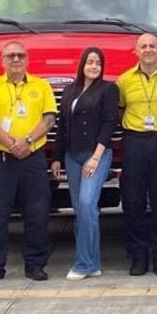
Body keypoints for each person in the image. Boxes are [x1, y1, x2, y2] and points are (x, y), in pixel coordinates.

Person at [0, 41, 60, 282]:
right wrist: (13, 143)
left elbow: (50, 119)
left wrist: (28, 140)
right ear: (2, 60)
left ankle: (35, 265)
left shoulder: (41, 86)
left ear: (27, 59)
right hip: (1, 160)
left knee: (37, 213)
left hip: (33, 159)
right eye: (10, 56)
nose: (15, 59)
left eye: (20, 55)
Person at [115, 33, 157, 276]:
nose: (148, 50)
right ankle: (138, 256)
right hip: (135, 142)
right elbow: (119, 109)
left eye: (152, 45)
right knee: (134, 201)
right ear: (136, 51)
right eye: (143, 46)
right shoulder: (124, 80)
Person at [53, 48, 120, 280]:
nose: (93, 66)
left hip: (97, 155)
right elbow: (62, 126)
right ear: (82, 64)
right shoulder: (70, 90)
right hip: (72, 156)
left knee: (87, 203)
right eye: (90, 62)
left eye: (98, 63)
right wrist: (56, 157)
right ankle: (94, 263)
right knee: (81, 212)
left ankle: (83, 264)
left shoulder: (108, 90)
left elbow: (109, 123)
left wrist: (95, 157)